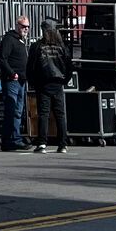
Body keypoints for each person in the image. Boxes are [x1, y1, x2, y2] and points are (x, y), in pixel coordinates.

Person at [26, 17, 72, 154]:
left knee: (43, 114)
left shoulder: (37, 46)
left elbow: (31, 67)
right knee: (60, 114)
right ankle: (63, 143)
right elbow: (69, 66)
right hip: (58, 83)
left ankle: (42, 143)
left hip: (43, 83)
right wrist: (64, 80)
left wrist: (33, 82)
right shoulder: (62, 47)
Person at [0, 15, 31, 152]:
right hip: (12, 81)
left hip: (21, 81)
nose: (26, 29)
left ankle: (10, 140)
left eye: (27, 27)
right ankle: (13, 139)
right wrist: (12, 73)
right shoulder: (9, 39)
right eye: (23, 26)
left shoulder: (20, 41)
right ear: (17, 26)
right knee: (12, 110)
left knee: (17, 111)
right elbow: (2, 59)